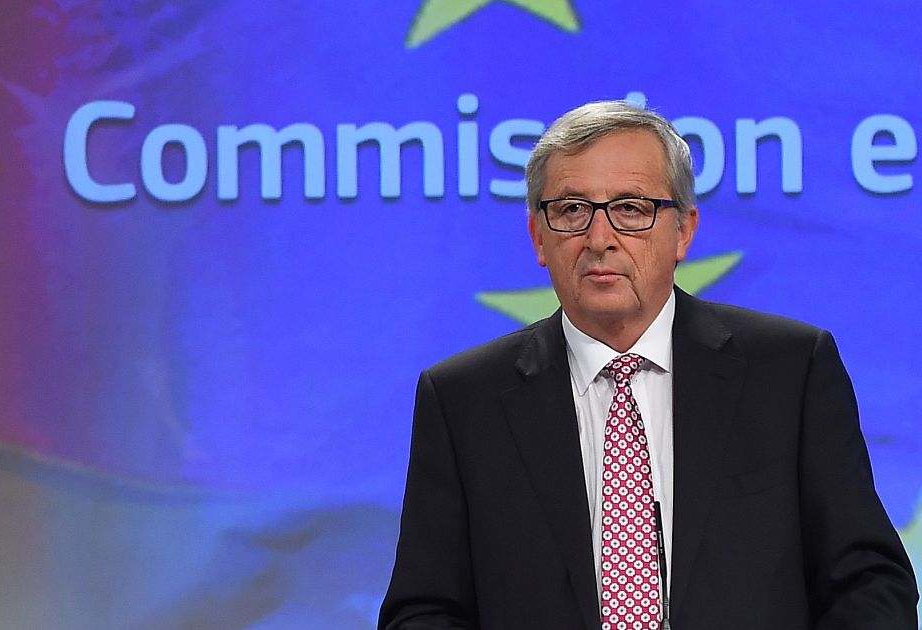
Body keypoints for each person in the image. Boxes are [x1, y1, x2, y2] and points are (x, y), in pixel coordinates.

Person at [380, 101, 917, 630]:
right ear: (538, 238)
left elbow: (872, 584)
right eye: (571, 210)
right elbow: (422, 611)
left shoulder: (791, 371)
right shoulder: (462, 400)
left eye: (631, 208)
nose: (599, 238)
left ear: (684, 230)